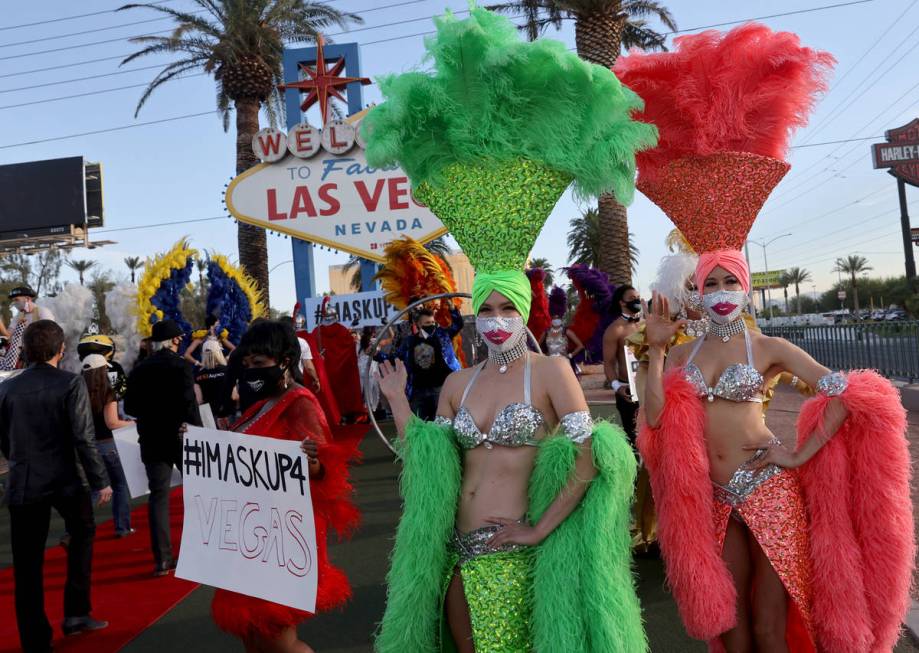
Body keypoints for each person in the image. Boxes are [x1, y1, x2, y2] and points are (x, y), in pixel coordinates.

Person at [365, 8, 656, 650]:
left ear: (524, 312)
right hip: (456, 557)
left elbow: (587, 464)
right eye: (487, 309)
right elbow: (433, 463)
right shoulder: (456, 384)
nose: (495, 321)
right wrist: (395, 406)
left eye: (506, 309)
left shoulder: (550, 373)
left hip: (517, 552)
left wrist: (538, 530)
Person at [618, 24, 912, 650]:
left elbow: (848, 393)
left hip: (769, 486)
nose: (721, 289)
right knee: (735, 627)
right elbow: (653, 418)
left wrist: (799, 456)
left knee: (775, 624)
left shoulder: (767, 348)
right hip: (714, 500)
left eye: (731, 279)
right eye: (711, 280)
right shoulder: (686, 350)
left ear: (745, 287)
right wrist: (660, 350)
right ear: (697, 289)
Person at [210, 320, 359, 653]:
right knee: (254, 636)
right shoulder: (257, 404)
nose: (251, 372)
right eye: (246, 365)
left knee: (279, 641)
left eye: (259, 364)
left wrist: (315, 465)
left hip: (281, 539)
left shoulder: (300, 402)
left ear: (285, 361)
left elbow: (329, 475)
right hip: (250, 532)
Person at [0, 320, 113, 651]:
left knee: (27, 565)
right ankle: (76, 613)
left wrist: (19, 460)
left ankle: (36, 639)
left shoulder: (6, 389)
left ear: (26, 351)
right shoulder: (70, 383)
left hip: (24, 482)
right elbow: (83, 436)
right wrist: (100, 481)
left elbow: (4, 441)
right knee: (83, 534)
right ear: (61, 350)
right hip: (64, 478)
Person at [124, 319, 201, 576]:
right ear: (176, 341)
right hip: (181, 437)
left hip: (152, 439)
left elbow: (132, 407)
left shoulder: (138, 370)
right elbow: (190, 404)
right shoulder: (181, 366)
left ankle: (162, 559)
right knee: (196, 494)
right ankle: (197, 550)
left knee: (158, 498)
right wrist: (200, 432)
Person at [81, 354, 136, 537]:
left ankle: (78, 530)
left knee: (92, 489)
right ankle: (122, 527)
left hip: (87, 447)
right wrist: (132, 424)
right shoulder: (107, 392)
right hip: (108, 445)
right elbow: (112, 422)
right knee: (119, 486)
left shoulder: (77, 392)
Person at [393, 306, 463, 421]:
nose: (431, 325)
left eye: (432, 322)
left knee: (442, 424)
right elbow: (394, 357)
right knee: (420, 426)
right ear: (419, 325)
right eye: (427, 323)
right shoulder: (409, 342)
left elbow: (457, 325)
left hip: (440, 389)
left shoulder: (441, 335)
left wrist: (452, 309)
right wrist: (376, 354)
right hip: (417, 391)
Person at [602, 284, 642, 445]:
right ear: (622, 303)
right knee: (633, 436)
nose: (637, 301)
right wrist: (617, 386)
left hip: (649, 386)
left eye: (638, 297)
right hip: (628, 390)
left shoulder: (646, 324)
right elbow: (609, 363)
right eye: (632, 299)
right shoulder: (615, 330)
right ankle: (634, 468)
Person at [1, 285, 56, 370]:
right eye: (13, 301)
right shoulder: (19, 316)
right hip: (24, 355)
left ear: (27, 299)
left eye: (17, 300)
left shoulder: (43, 312)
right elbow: (8, 335)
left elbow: (51, 335)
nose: (15, 303)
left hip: (42, 356)